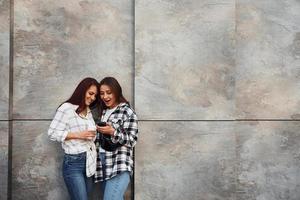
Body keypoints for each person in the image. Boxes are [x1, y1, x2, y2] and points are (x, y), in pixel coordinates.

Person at [48, 77, 100, 200]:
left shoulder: (88, 111)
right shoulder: (67, 108)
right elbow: (52, 133)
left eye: (95, 96)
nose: (92, 98)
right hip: (73, 163)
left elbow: (90, 135)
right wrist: (78, 135)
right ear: (82, 91)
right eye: (90, 93)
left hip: (90, 162)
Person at [94, 77, 138, 200]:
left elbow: (132, 140)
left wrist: (113, 132)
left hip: (119, 163)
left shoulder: (127, 112)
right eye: (102, 93)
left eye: (109, 92)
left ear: (116, 92)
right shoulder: (104, 112)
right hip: (103, 163)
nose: (105, 96)